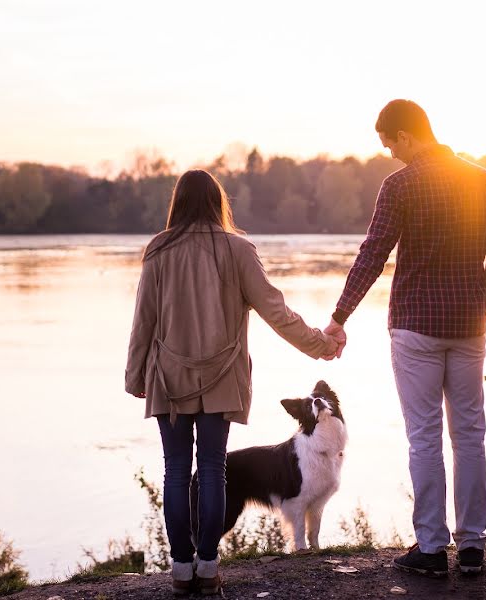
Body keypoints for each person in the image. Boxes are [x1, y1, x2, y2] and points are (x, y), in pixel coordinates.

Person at [324, 100, 486, 577]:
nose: (388, 151)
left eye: (389, 141)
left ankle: (431, 549)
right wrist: (483, 305)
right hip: (469, 328)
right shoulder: (485, 181)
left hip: (415, 327)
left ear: (408, 135)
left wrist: (339, 317)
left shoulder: (400, 185)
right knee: (470, 434)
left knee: (424, 437)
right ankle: (472, 547)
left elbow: (373, 253)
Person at [126, 169, 338, 595]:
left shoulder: (158, 249)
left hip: (168, 377)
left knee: (174, 473)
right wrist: (321, 345)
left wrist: (135, 374)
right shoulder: (238, 249)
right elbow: (276, 312)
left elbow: (143, 318)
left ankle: (181, 570)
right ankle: (207, 569)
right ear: (218, 202)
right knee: (212, 471)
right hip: (222, 378)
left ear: (177, 204)